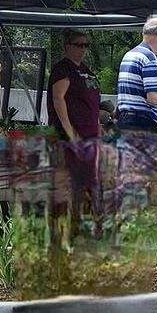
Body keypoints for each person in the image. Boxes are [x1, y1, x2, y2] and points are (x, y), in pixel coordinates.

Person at [47, 29, 101, 211]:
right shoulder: (63, 68)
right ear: (67, 46)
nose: (83, 49)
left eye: (86, 45)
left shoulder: (86, 70)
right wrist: (68, 129)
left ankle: (83, 222)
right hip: (70, 136)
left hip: (89, 136)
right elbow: (58, 98)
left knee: (86, 181)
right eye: (79, 44)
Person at [116, 17, 157, 133]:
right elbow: (154, 98)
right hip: (144, 125)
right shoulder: (149, 57)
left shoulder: (129, 54)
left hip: (127, 121)